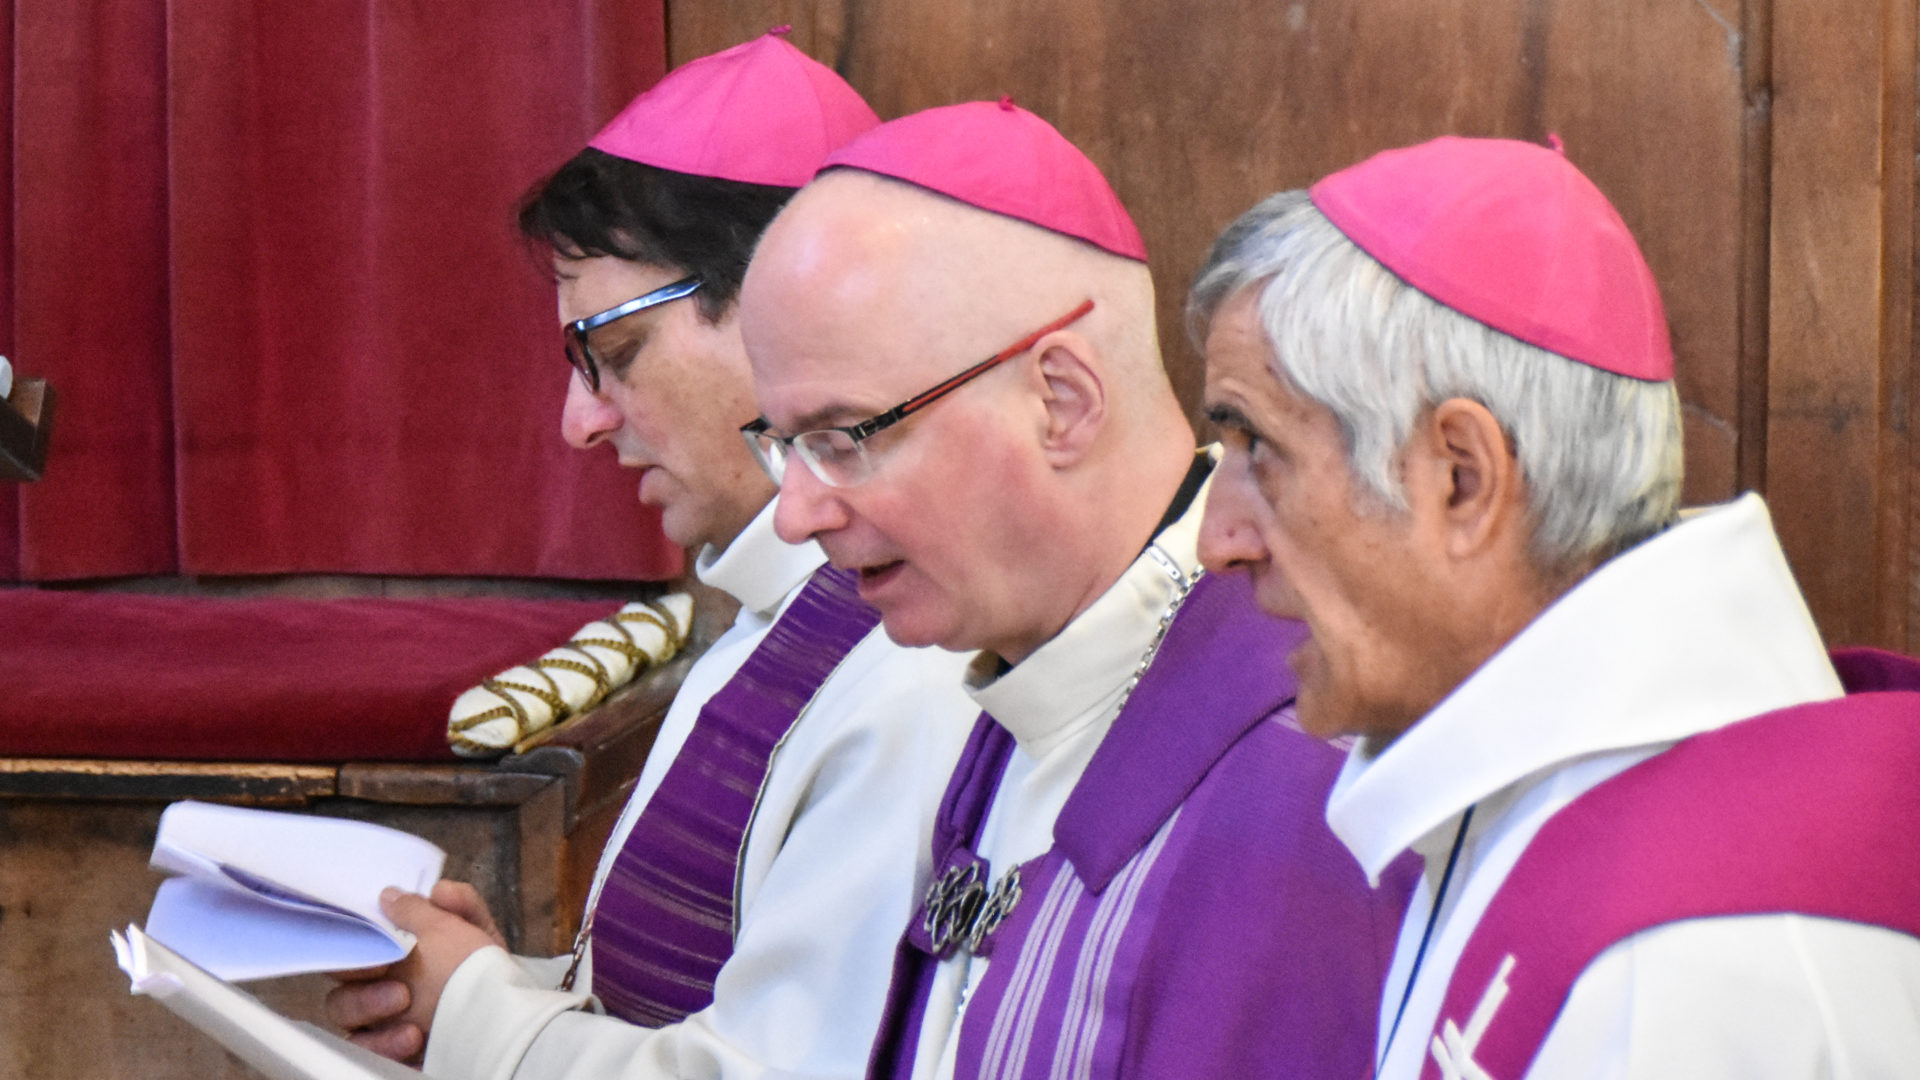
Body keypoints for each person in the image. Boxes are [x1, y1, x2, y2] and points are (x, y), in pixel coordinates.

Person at [323, 31, 981, 1080]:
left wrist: (483, 1015)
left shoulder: (922, 660)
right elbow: (700, 999)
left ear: (786, 311)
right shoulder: (760, 622)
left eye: (614, 355)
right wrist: (492, 985)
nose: (581, 423)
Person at [1191, 135, 1920, 1080]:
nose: (1220, 541)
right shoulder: (1538, 796)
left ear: (1461, 479)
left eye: (1259, 447)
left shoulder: (1685, 961)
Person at [737, 99, 1412, 1080]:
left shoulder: (1293, 771)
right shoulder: (1022, 669)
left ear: (1059, 403)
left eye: (844, 439)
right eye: (783, 446)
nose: (795, 515)